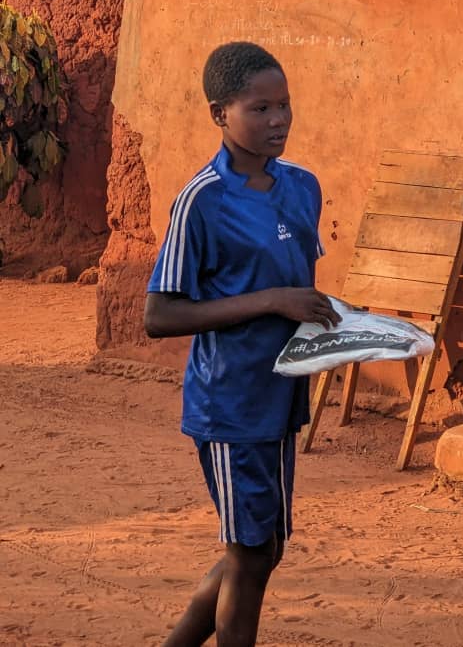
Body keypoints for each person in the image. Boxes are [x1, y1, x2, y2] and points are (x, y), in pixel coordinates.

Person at [144, 41, 340, 647]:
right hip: (230, 403)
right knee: (250, 552)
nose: (278, 120)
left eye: (284, 105)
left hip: (281, 396)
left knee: (263, 548)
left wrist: (344, 329)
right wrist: (273, 300)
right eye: (260, 109)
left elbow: (299, 289)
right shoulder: (201, 200)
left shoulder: (302, 187)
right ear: (219, 114)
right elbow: (159, 314)